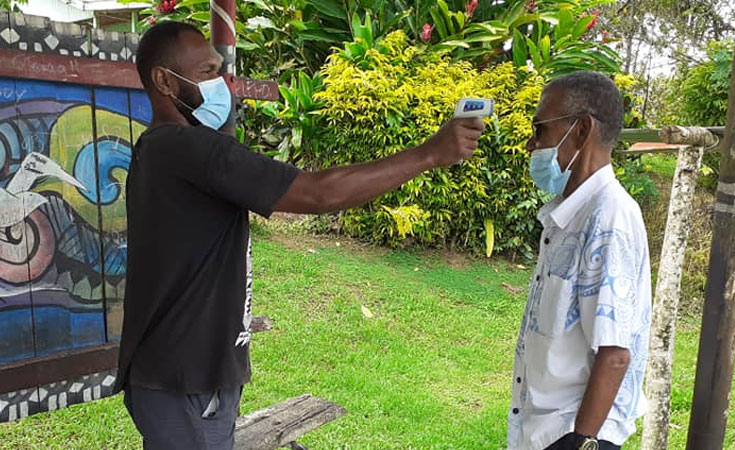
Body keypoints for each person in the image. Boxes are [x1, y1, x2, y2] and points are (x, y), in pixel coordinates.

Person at [113, 21, 485, 450]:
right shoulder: (190, 148)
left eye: (220, 71)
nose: (221, 84)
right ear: (164, 81)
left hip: (176, 377)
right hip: (186, 382)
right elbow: (320, 193)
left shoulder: (156, 149)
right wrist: (429, 153)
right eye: (207, 72)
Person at [507, 71, 652, 450]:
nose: (531, 144)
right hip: (546, 429)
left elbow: (615, 354)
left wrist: (582, 442)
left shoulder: (609, 219)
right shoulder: (571, 213)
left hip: (574, 432)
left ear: (582, 130)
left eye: (540, 129)